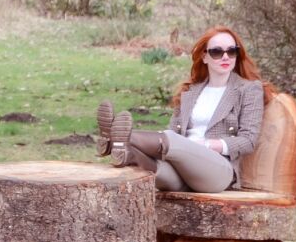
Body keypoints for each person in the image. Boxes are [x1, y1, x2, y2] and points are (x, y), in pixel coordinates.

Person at [96, 25, 269, 193]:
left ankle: (114, 138)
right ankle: (125, 152)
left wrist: (206, 145)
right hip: (182, 168)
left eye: (231, 51)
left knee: (172, 139)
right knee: (154, 168)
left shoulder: (248, 89)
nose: (225, 57)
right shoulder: (190, 92)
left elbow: (248, 140)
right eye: (217, 52)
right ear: (204, 56)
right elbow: (172, 132)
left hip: (218, 170)